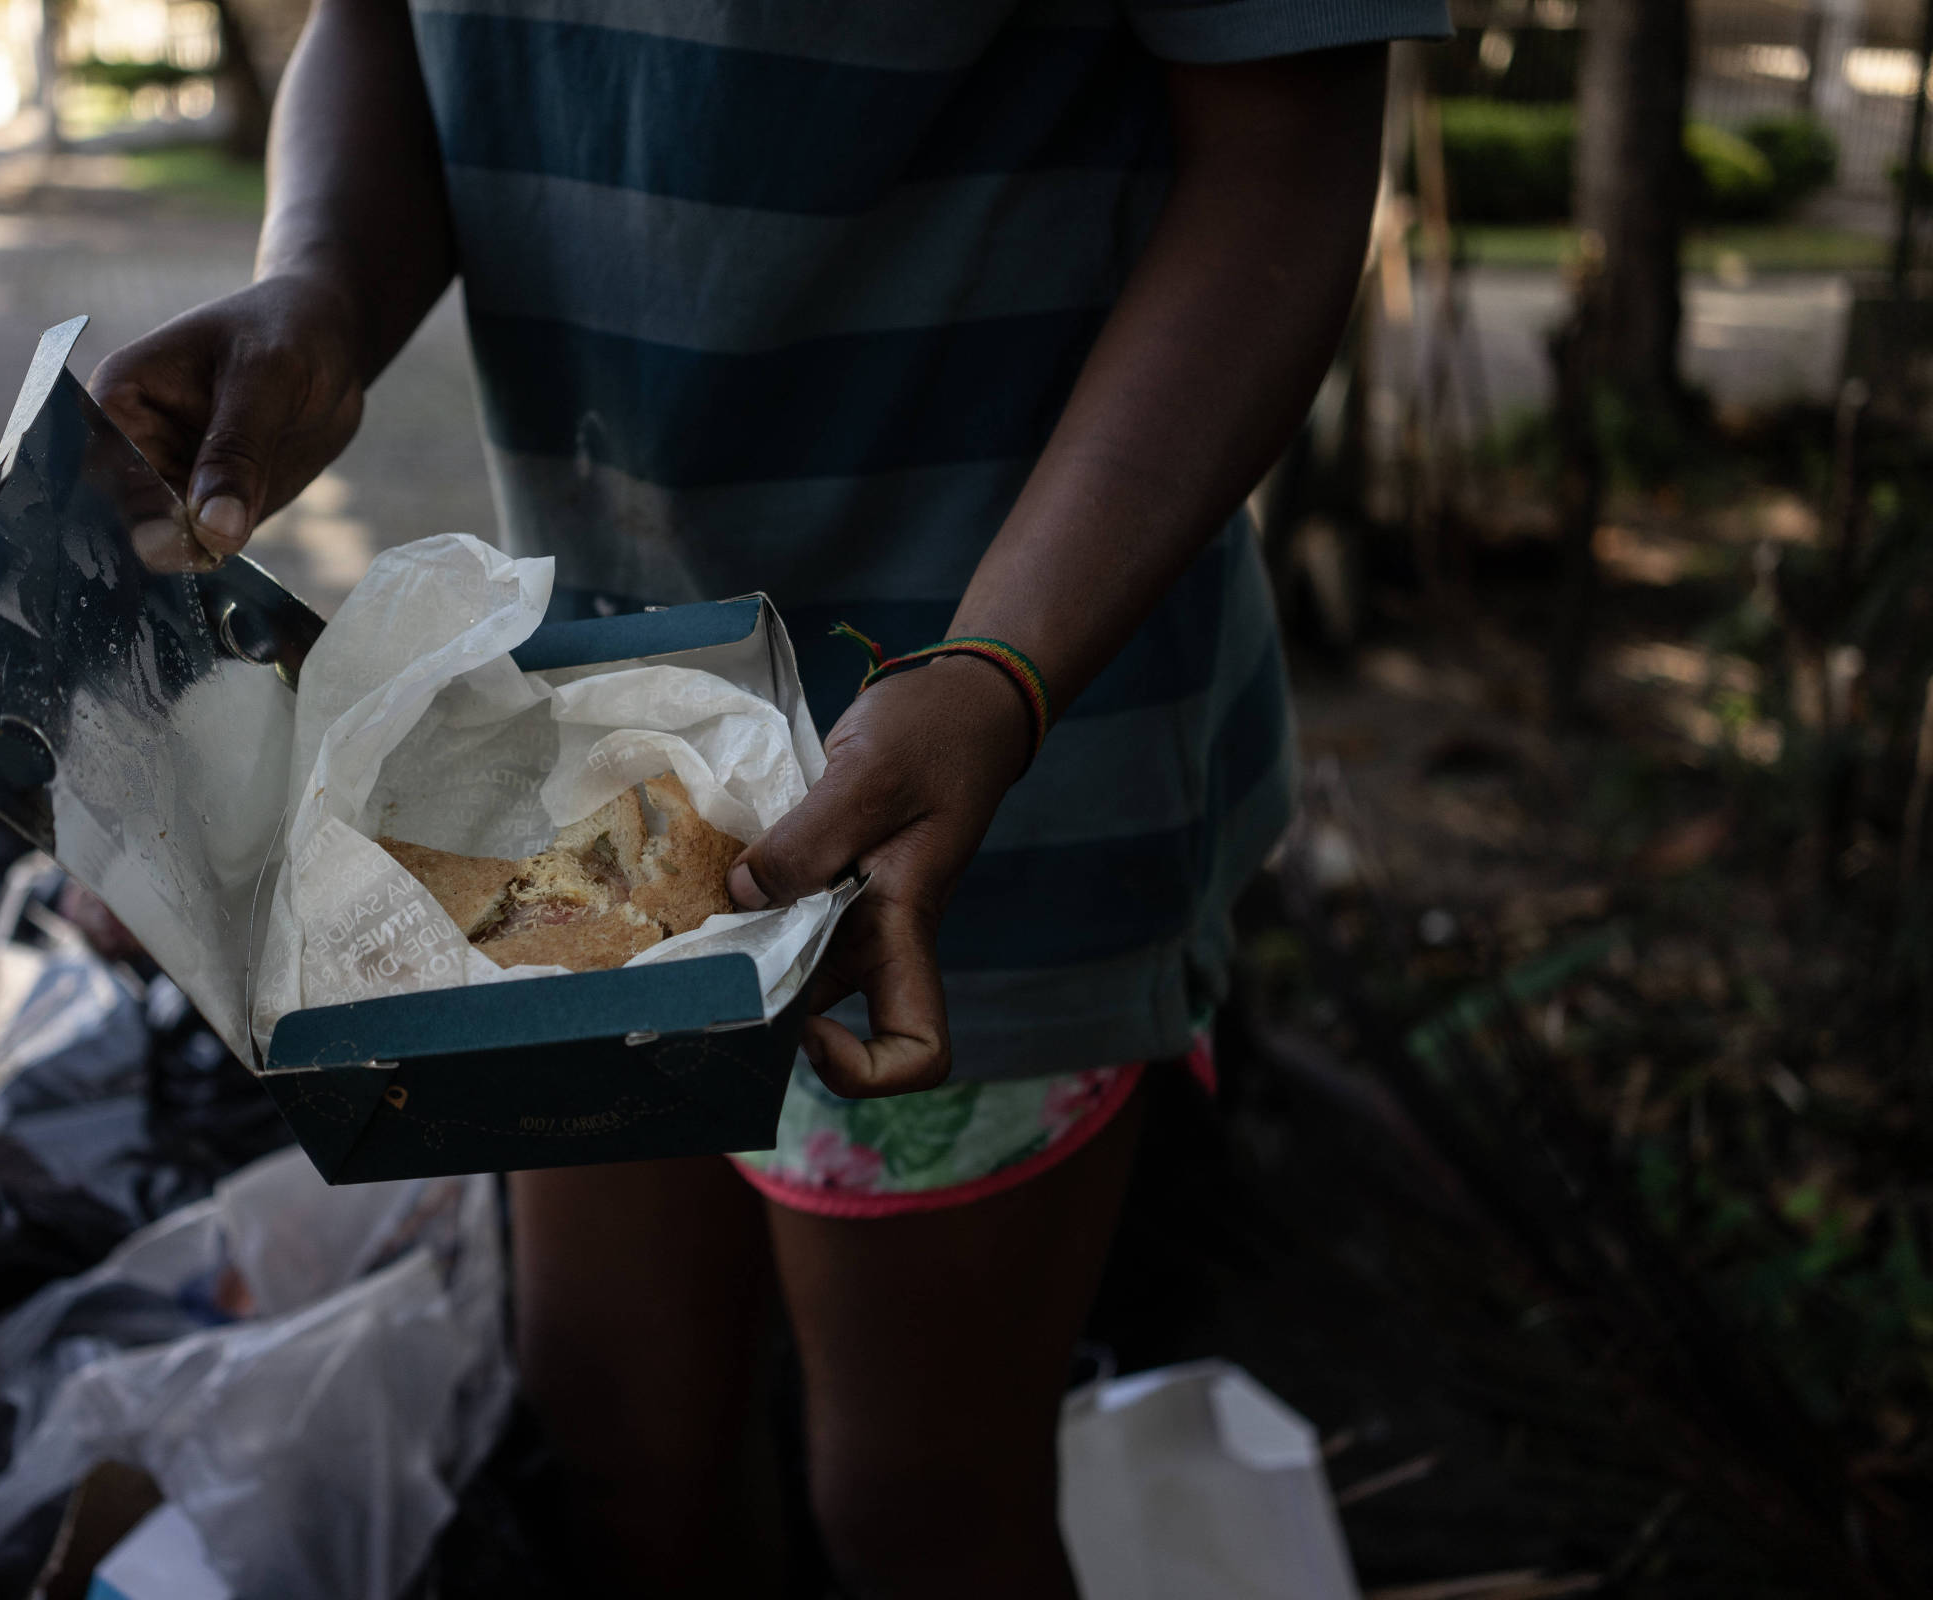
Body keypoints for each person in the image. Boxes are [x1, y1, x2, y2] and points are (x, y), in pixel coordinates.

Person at [93, 0, 1446, 1592]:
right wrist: (322, 280)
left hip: (980, 810)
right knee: (611, 1447)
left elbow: (1283, 154)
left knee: (919, 1522)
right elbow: (379, 23)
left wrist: (1001, 672)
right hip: (592, 755)